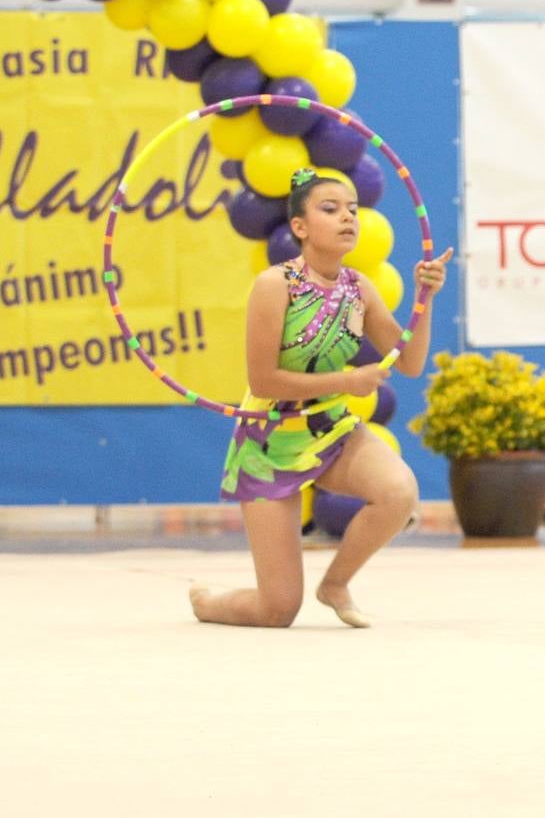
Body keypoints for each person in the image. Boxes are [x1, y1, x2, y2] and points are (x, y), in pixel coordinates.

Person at [193, 168, 454, 629]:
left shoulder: (358, 288)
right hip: (270, 440)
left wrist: (425, 296)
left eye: (353, 209)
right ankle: (208, 603)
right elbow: (265, 380)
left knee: (398, 492)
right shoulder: (275, 285)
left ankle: (335, 583)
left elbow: (410, 362)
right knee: (278, 611)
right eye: (330, 209)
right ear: (300, 227)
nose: (348, 218)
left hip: (328, 428)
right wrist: (345, 381)